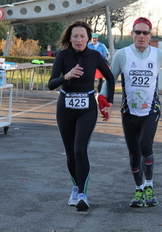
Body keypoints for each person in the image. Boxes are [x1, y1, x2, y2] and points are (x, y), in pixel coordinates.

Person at [98, 17, 162, 207]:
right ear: (132, 34)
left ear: (150, 35)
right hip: (128, 111)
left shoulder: (158, 54)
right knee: (134, 154)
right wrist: (103, 98)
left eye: (145, 33)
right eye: (137, 32)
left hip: (151, 110)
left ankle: (150, 185)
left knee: (145, 146)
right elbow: (110, 79)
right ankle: (139, 189)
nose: (141, 36)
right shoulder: (122, 54)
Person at [48, 20, 114, 211]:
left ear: (88, 38)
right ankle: (76, 188)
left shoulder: (94, 55)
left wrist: (107, 102)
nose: (78, 40)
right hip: (65, 107)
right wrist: (66, 76)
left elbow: (109, 77)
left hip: (87, 108)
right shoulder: (62, 55)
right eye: (75, 36)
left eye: (82, 36)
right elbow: (51, 84)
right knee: (70, 152)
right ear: (70, 37)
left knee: (79, 149)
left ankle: (83, 195)